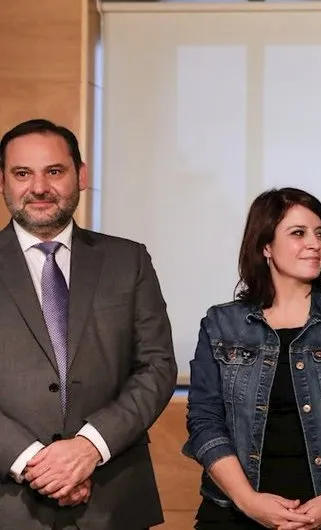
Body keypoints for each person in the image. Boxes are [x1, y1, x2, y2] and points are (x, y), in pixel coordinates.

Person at [0, 118, 178, 529]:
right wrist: (34, 463)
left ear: (80, 175)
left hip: (113, 501)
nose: (39, 187)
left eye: (54, 171)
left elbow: (157, 366)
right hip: (9, 504)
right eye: (22, 173)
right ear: (3, 180)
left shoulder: (128, 261)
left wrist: (89, 447)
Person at [183, 187, 321, 530]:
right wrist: (249, 502)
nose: (314, 244)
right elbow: (205, 421)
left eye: (320, 234)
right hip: (236, 514)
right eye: (298, 233)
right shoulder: (221, 324)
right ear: (265, 245)